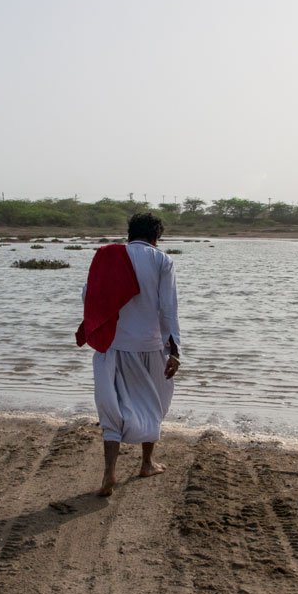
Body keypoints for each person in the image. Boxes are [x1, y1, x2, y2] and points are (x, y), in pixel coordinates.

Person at [76, 212, 181, 497]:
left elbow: (89, 295)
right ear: (156, 238)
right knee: (155, 403)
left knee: (112, 409)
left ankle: (109, 471)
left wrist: (93, 326)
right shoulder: (162, 261)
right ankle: (146, 463)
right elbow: (168, 308)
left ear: (129, 233)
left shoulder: (106, 256)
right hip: (150, 345)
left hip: (112, 345)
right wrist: (175, 351)